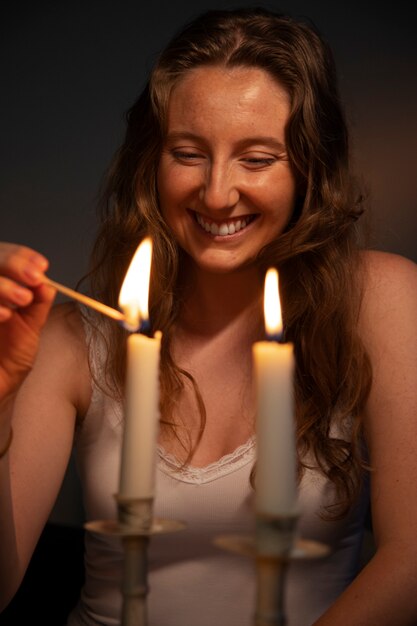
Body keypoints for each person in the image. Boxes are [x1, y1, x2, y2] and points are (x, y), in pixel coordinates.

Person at [1, 6, 417, 625]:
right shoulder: (70, 338)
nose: (218, 193)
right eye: (189, 153)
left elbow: (410, 562)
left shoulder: (378, 300)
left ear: (310, 168)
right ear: (153, 162)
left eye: (258, 158)